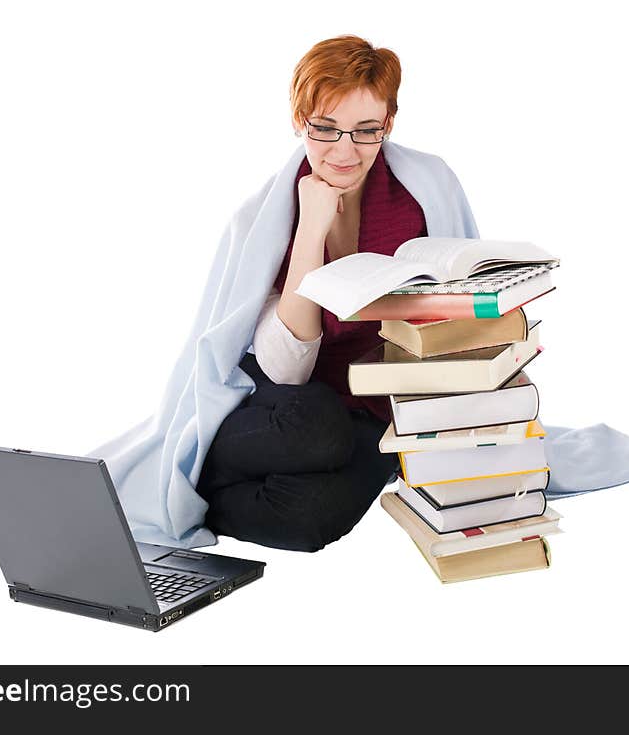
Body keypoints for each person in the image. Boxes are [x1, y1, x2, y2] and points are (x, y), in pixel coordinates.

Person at [195, 35, 477, 552]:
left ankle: (215, 493)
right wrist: (310, 230)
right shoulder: (264, 217)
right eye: (325, 129)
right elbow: (286, 369)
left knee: (312, 523)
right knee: (318, 428)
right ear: (300, 120)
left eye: (366, 131)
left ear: (388, 125)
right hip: (287, 400)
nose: (345, 151)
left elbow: (460, 306)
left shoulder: (425, 189)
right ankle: (200, 469)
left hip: (374, 403)